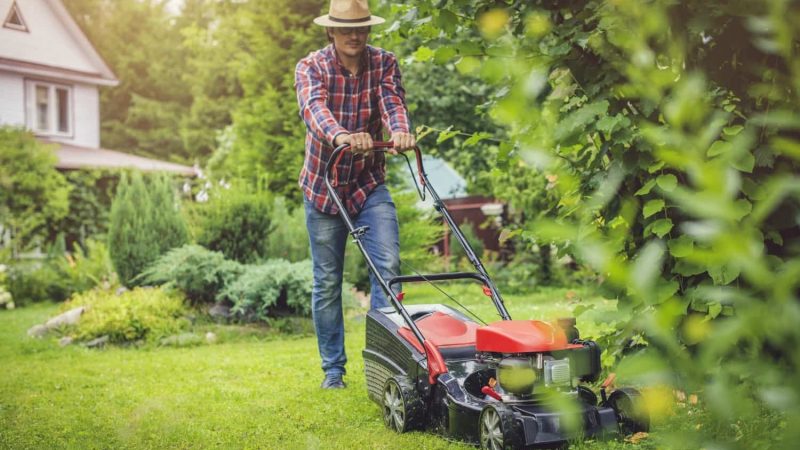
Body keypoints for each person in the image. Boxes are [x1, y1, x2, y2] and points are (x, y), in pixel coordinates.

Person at [295, 0, 416, 389]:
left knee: (388, 269)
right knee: (328, 282)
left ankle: (387, 369)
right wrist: (343, 137)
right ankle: (334, 372)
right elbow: (313, 110)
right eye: (345, 28)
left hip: (368, 186)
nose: (353, 35)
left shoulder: (384, 63)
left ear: (368, 31)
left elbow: (392, 102)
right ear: (331, 31)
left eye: (360, 28)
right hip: (323, 188)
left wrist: (399, 130)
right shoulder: (311, 67)